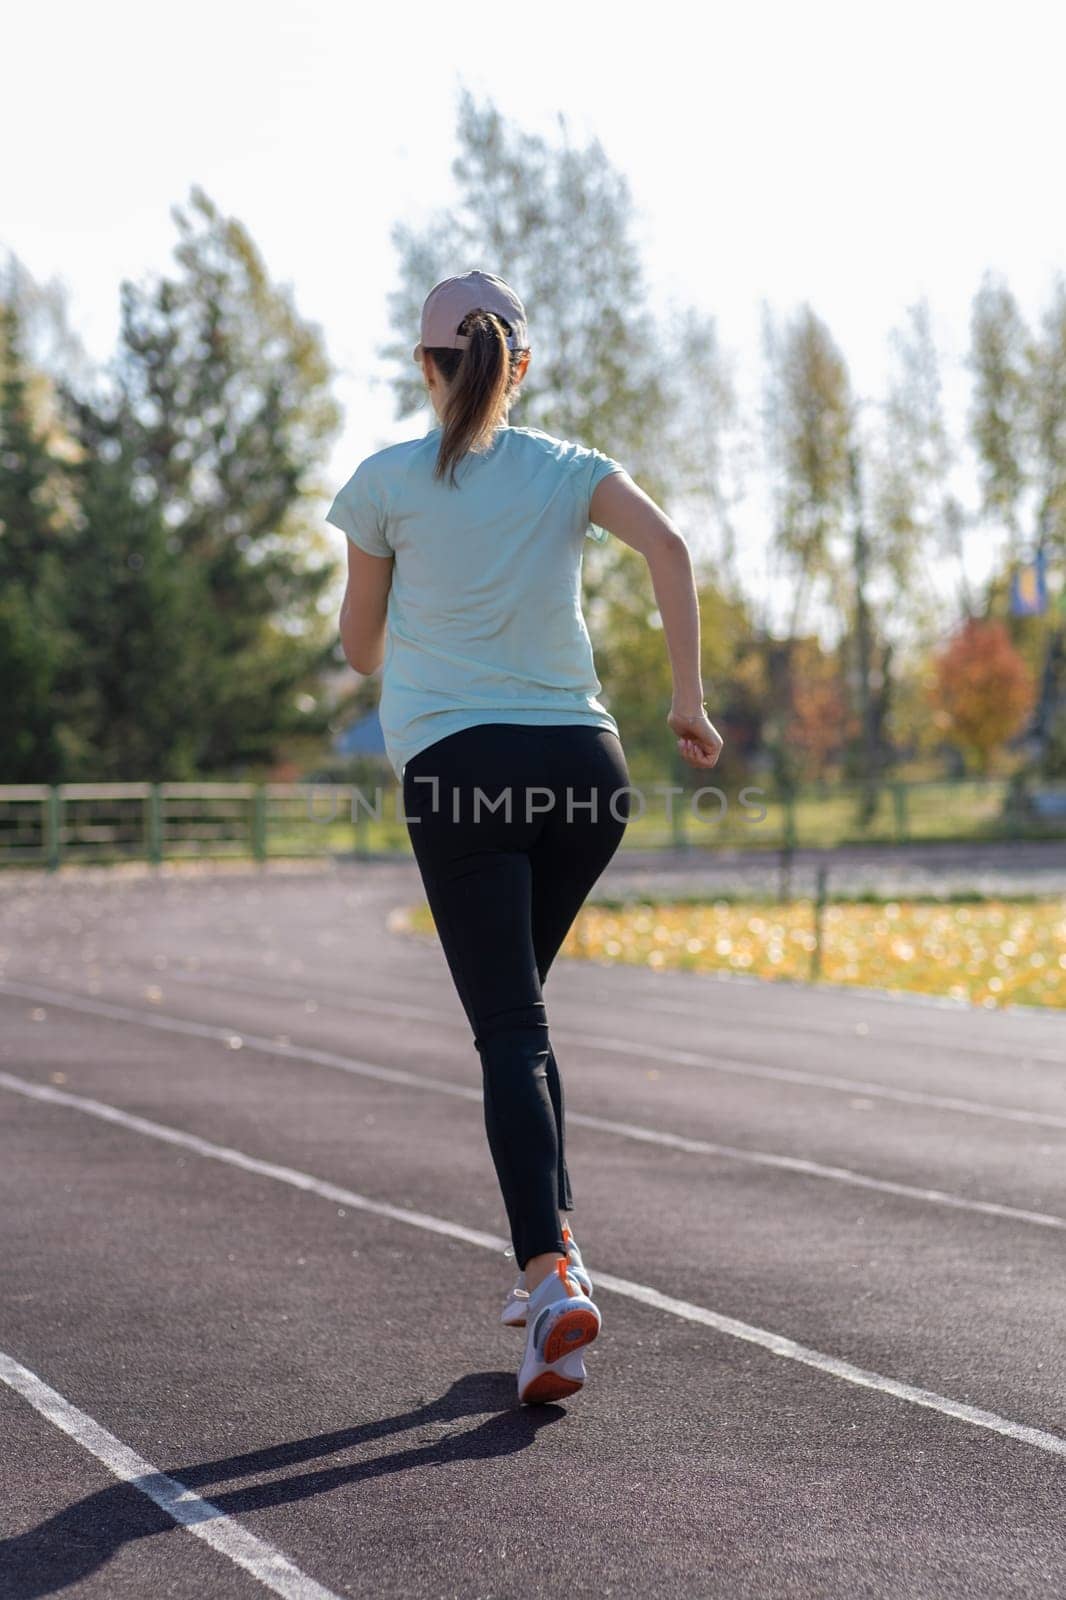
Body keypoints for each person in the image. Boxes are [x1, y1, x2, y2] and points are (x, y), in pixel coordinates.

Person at [328, 270, 723, 1405]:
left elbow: (360, 652)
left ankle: (550, 1280)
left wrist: (406, 596)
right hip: (586, 776)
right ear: (522, 363)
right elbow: (673, 552)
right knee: (524, 1025)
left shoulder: (387, 482)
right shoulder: (568, 468)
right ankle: (559, 1250)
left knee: (508, 1028)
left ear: (424, 367)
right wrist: (686, 704)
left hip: (463, 773)